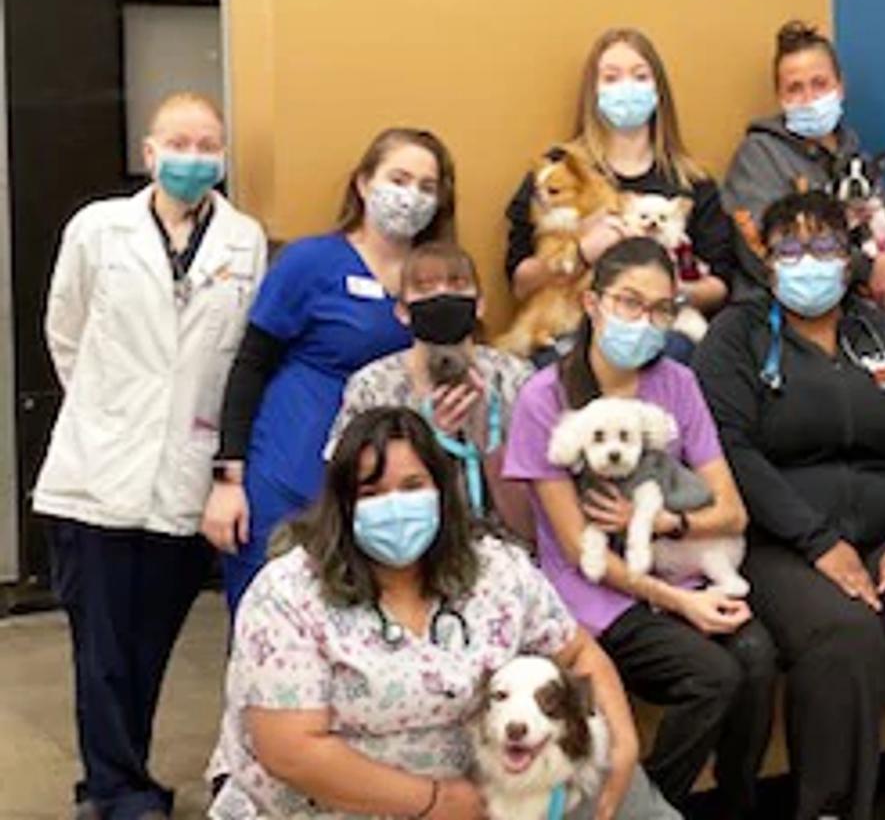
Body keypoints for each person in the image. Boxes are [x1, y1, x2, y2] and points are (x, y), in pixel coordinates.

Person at [211, 406, 678, 820]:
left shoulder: (496, 569)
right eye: (372, 492)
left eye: (413, 486)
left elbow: (577, 653)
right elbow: (291, 752)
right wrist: (436, 801)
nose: (395, 505)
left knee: (627, 793)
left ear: (442, 490)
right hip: (333, 807)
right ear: (343, 505)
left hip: (494, 794)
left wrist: (624, 745)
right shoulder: (288, 594)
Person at [692, 190, 885, 820]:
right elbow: (735, 453)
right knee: (844, 637)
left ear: (849, 256)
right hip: (783, 545)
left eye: (824, 245)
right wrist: (820, 543)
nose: (808, 260)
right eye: (791, 248)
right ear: (767, 263)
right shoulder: (734, 338)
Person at [33, 91, 266, 820]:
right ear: (150, 152)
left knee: (150, 642)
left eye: (209, 144)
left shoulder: (243, 239)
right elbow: (64, 328)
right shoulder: (97, 229)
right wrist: (114, 408)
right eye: (181, 142)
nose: (195, 156)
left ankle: (114, 780)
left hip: (184, 469)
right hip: (97, 465)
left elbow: (239, 357)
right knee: (99, 647)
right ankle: (116, 788)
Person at [504, 236, 777, 818]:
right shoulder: (544, 398)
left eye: (660, 309)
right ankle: (643, 808)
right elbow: (579, 551)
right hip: (594, 597)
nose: (645, 321)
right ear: (592, 301)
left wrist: (668, 524)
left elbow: (731, 510)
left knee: (757, 657)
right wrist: (681, 604)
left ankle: (736, 805)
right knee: (712, 678)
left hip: (678, 569)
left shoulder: (677, 382)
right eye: (630, 302)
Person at [201, 127, 455, 616]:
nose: (411, 196)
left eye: (427, 186)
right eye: (398, 178)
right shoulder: (310, 262)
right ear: (363, 183)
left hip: (381, 492)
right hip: (288, 474)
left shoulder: (437, 277)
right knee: (270, 625)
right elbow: (250, 365)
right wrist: (226, 480)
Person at [505, 27, 736, 361]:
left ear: (659, 91)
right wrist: (584, 252)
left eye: (640, 76)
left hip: (663, 334)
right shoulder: (558, 174)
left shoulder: (692, 183)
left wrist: (663, 290)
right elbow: (520, 283)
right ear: (592, 93)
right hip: (572, 333)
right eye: (611, 78)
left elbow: (719, 286)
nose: (626, 87)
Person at [328, 240, 535, 542]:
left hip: (504, 551)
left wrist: (485, 440)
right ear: (402, 310)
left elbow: (534, 522)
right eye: (425, 287)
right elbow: (346, 499)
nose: (442, 295)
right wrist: (429, 441)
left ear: (480, 304)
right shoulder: (372, 387)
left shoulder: (517, 379)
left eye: (456, 284)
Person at [722, 20, 885, 308]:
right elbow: (761, 250)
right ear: (780, 97)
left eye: (819, 84)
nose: (809, 98)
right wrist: (866, 268)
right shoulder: (758, 157)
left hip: (859, 312)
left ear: (841, 86)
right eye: (795, 89)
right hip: (777, 314)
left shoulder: (856, 158)